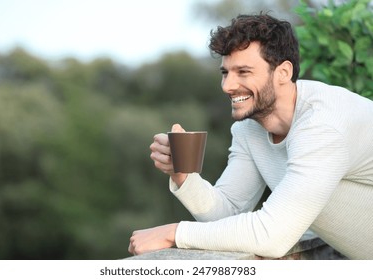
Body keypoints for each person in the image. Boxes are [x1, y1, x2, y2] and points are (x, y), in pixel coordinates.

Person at [128, 13, 373, 259]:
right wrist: (183, 175)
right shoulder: (250, 127)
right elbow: (227, 214)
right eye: (225, 72)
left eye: (243, 72)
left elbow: (272, 236)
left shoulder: (322, 125)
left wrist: (175, 233)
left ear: (283, 72)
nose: (227, 86)